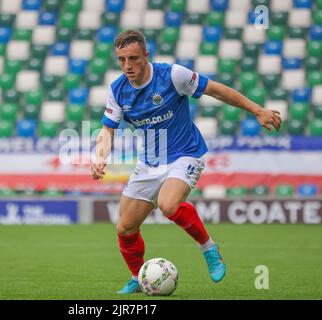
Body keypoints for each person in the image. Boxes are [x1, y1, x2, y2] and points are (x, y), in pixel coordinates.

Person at [90, 30, 281, 294]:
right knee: (125, 227)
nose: (127, 66)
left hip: (185, 153)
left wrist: (257, 109)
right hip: (149, 162)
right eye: (121, 60)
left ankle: (209, 249)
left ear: (147, 55)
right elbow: (107, 129)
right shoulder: (117, 90)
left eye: (133, 58)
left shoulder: (172, 75)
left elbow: (217, 90)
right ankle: (138, 276)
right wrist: (100, 156)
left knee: (169, 205)